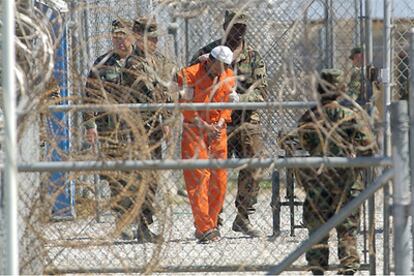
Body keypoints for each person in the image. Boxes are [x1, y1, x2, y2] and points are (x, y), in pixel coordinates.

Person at [190, 10, 267, 237]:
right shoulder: (207, 52)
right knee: (214, 172)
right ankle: (213, 219)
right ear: (225, 27)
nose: (238, 31)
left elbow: (261, 91)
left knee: (253, 165)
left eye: (242, 27)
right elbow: (191, 77)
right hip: (215, 122)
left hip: (245, 120)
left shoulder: (253, 57)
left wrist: (240, 99)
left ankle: (243, 217)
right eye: (234, 27)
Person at [295, 69, 377, 275]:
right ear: (341, 90)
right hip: (347, 181)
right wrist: (355, 164)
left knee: (317, 228)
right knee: (347, 227)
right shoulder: (351, 115)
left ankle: (317, 266)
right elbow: (369, 147)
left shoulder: (311, 116)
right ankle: (348, 265)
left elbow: (299, 142)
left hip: (318, 181)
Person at [119, 16, 176, 243]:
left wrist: (167, 116)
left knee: (151, 178)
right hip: (138, 130)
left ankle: (144, 225)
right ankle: (139, 225)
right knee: (141, 178)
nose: (152, 42)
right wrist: (167, 96)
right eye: (147, 38)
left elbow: (171, 85)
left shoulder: (156, 60)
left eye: (154, 38)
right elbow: (152, 92)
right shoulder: (133, 63)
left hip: (153, 129)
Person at [83, 19, 139, 240]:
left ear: (131, 37)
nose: (120, 41)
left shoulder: (141, 60)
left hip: (139, 129)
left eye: (123, 36)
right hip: (111, 129)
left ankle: (139, 219)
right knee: (117, 177)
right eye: (116, 37)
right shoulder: (102, 63)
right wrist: (90, 125)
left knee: (138, 174)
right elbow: (89, 96)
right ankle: (122, 220)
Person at [177, 46, 235, 243]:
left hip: (218, 132)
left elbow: (228, 104)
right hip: (195, 130)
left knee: (219, 181)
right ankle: (204, 228)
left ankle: (210, 223)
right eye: (220, 65)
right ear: (209, 62)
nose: (223, 70)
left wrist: (218, 124)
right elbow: (185, 106)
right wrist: (204, 126)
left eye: (226, 66)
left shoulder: (228, 76)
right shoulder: (189, 74)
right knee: (198, 179)